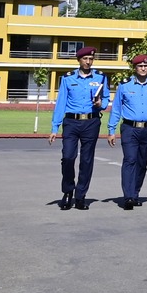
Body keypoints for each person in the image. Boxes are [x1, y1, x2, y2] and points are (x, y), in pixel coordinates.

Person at [106, 54, 147, 209]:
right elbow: (116, 109)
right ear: (135, 68)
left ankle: (135, 193)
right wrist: (111, 130)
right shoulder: (124, 85)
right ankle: (128, 196)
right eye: (140, 66)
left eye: (146, 66)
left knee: (142, 162)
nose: (143, 68)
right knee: (130, 160)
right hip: (130, 128)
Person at [49, 47, 109, 209]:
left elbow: (105, 99)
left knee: (87, 160)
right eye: (85, 59)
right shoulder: (68, 78)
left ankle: (81, 195)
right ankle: (68, 191)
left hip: (91, 122)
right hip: (71, 122)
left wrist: (100, 104)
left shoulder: (101, 77)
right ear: (79, 60)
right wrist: (55, 127)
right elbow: (60, 103)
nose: (88, 62)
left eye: (91, 58)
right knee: (68, 157)